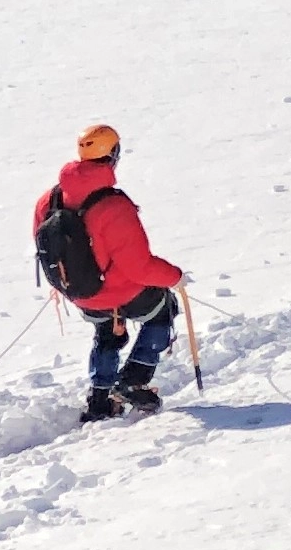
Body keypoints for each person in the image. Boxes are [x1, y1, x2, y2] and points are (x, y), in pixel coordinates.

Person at [30, 125, 187, 423]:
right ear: (112, 155)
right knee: (161, 312)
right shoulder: (114, 206)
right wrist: (175, 277)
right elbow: (139, 266)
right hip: (125, 291)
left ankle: (100, 399)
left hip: (81, 293)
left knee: (106, 333)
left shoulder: (48, 201)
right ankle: (134, 380)